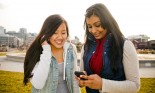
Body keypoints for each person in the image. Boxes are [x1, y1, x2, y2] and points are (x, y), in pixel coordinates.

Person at [76, 3, 140, 93]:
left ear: (107, 22)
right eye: (89, 26)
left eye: (97, 25)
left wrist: (102, 84)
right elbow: (83, 74)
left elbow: (135, 85)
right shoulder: (85, 47)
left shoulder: (125, 45)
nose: (93, 30)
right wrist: (82, 81)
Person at [23, 14, 80, 93]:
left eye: (63, 33)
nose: (60, 37)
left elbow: (74, 81)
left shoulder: (71, 49)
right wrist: (46, 50)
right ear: (47, 33)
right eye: (55, 33)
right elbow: (38, 84)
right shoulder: (38, 51)